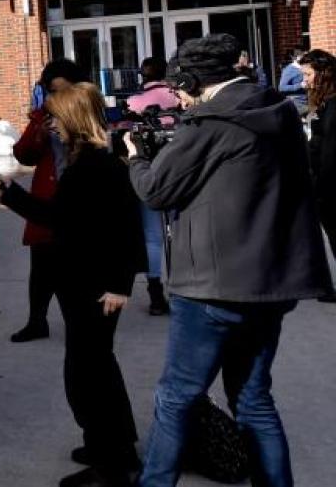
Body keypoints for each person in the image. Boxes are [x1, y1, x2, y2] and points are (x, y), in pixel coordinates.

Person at [127, 34, 333, 487]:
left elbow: (156, 191)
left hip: (211, 287)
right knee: (254, 399)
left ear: (193, 78)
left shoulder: (210, 122)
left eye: (179, 84)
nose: (176, 94)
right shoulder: (277, 110)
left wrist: (136, 159)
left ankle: (155, 482)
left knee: (177, 396)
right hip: (271, 284)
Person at [0, 83, 145, 487]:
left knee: (89, 376)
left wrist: (119, 284)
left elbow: (124, 227)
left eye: (55, 118)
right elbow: (64, 217)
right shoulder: (89, 161)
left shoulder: (96, 165)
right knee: (94, 370)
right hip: (85, 284)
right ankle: (112, 448)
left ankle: (112, 466)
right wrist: (9, 194)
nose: (50, 126)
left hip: (95, 287)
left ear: (73, 120)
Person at [9, 59, 87, 343]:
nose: (57, 98)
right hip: (49, 198)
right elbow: (23, 154)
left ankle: (80, 320)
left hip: (82, 203)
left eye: (62, 91)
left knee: (78, 269)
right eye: (52, 92)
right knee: (42, 266)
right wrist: (39, 136)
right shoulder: (43, 116)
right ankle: (36, 320)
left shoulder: (89, 114)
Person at [125, 57, 181, 316]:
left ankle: (155, 293)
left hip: (147, 170)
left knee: (152, 236)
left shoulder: (134, 103)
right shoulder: (178, 97)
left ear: (142, 76)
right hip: (179, 171)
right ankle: (183, 289)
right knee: (181, 230)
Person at [299, 49, 336, 302]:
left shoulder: (333, 107)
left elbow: (331, 152)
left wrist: (322, 188)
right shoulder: (324, 103)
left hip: (331, 184)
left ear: (323, 74)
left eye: (309, 74)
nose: (305, 81)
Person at [279, 46, 306, 111]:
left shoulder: (305, 67)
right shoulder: (289, 70)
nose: (306, 58)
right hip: (296, 101)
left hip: (306, 99)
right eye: (304, 55)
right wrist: (300, 85)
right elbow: (281, 87)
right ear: (297, 57)